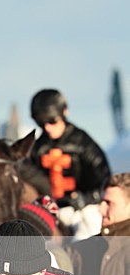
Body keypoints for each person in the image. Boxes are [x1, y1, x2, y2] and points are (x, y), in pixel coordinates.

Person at [29, 89, 111, 237]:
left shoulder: (84, 145)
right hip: (52, 211)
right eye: (42, 123)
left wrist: (85, 199)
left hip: (85, 210)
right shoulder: (37, 149)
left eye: (52, 121)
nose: (47, 127)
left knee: (87, 243)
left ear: (64, 112)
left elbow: (105, 181)